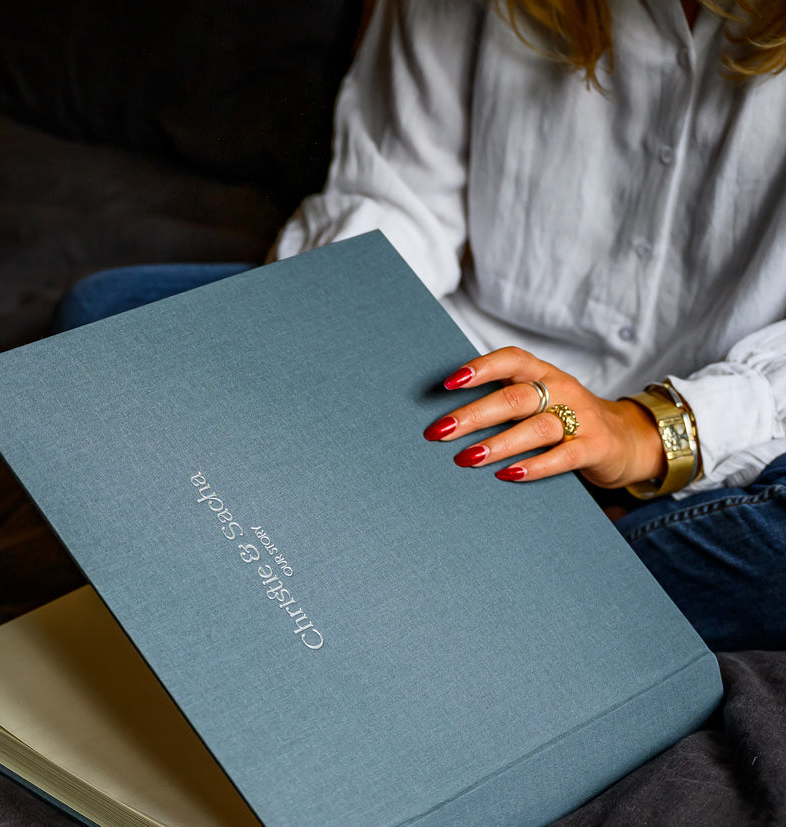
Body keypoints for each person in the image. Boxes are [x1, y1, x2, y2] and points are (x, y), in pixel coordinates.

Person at [57, 0, 786, 650]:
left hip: (739, 439)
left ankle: (479, 584)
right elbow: (394, 191)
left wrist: (646, 432)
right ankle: (537, 596)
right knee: (105, 323)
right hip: (468, 377)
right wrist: (336, 352)